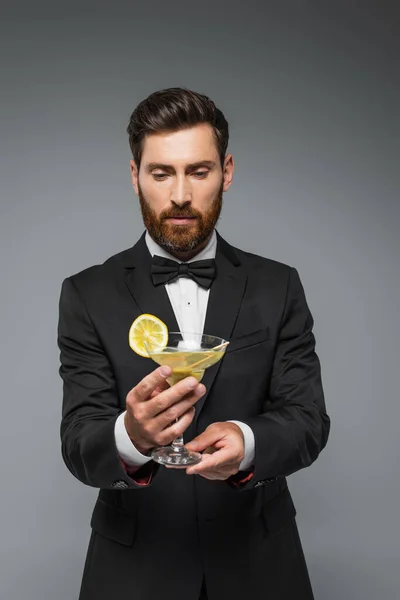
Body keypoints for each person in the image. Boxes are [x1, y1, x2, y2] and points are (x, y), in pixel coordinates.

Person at [58, 87, 330, 600]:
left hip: (259, 566)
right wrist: (131, 435)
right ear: (134, 175)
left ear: (226, 172)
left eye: (198, 171)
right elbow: (78, 439)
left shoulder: (279, 286)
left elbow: (309, 420)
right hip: (134, 572)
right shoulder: (86, 293)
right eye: (160, 173)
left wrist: (247, 444)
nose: (180, 194)